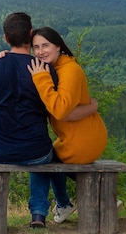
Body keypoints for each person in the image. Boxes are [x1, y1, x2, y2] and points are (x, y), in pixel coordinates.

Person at [0, 12, 57, 228]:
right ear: (30, 34)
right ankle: (38, 213)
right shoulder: (45, 69)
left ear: (6, 38)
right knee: (43, 155)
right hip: (36, 150)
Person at [27, 26, 109, 222]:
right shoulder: (58, 66)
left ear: (58, 46)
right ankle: (102, 197)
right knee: (50, 156)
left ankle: (65, 204)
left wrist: (40, 79)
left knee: (45, 158)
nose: (40, 51)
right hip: (81, 137)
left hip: (83, 141)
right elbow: (69, 112)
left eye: (45, 45)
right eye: (36, 47)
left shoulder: (70, 70)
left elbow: (61, 110)